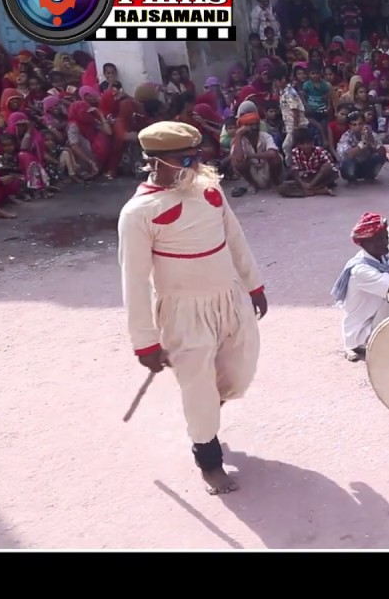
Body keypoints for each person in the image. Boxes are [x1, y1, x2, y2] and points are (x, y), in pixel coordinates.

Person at [117, 121, 268, 495]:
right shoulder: (138, 213)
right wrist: (145, 342)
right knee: (198, 385)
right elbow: (134, 280)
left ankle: (206, 410)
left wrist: (254, 285)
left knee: (239, 372)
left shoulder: (210, 190)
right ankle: (208, 456)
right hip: (183, 312)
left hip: (229, 299)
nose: (195, 165)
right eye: (184, 158)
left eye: (196, 156)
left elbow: (235, 237)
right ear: (155, 162)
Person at [331, 212, 389, 363]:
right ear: (365, 244)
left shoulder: (384, 257)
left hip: (377, 314)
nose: (386, 242)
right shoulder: (361, 271)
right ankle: (355, 345)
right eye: (379, 240)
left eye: (385, 236)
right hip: (363, 329)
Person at [228, 107, 283, 197]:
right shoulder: (238, 140)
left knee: (276, 158)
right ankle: (252, 184)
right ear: (243, 128)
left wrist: (251, 156)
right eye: (250, 125)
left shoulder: (265, 136)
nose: (254, 128)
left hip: (266, 168)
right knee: (238, 163)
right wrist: (238, 135)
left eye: (256, 124)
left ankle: (274, 182)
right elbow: (238, 158)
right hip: (253, 170)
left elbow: (273, 154)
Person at [336, 112, 386, 184]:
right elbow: (348, 155)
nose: (358, 127)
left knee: (378, 156)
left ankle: (369, 176)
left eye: (360, 124)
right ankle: (351, 179)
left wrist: (372, 140)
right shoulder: (346, 136)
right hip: (352, 167)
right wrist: (363, 143)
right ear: (350, 126)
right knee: (347, 161)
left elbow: (383, 153)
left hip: (366, 165)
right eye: (354, 125)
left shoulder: (371, 133)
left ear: (364, 124)